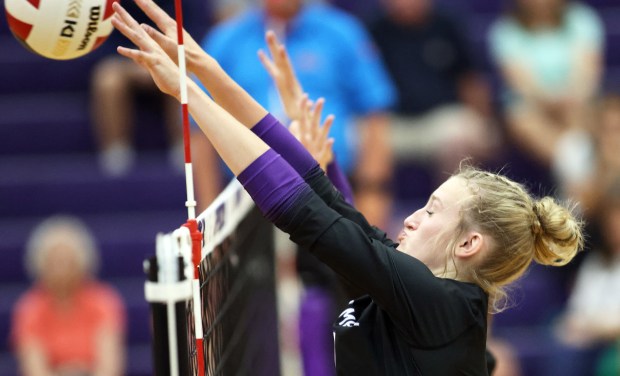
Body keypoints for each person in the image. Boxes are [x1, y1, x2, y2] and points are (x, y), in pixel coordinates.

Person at [111, 2, 584, 374]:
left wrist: (189, 94)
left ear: (468, 244)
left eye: (433, 211)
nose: (414, 216)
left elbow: (300, 210)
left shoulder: (438, 302)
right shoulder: (414, 283)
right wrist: (204, 68)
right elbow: (320, 193)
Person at [192, 0, 397, 229]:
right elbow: (199, 128)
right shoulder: (225, 39)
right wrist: (209, 218)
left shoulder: (341, 32)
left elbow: (375, 113)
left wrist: (373, 191)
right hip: (248, 191)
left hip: (330, 184)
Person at [368, 0, 498, 189]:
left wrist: (486, 122)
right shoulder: (371, 29)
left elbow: (469, 78)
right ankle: (367, 212)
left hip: (440, 119)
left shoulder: (448, 23)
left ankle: (454, 209)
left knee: (461, 133)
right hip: (390, 122)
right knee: (357, 139)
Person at [489, 0, 604, 168]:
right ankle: (577, 171)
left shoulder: (582, 19)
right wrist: (551, 100)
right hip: (530, 106)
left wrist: (571, 97)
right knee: (522, 118)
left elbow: (588, 73)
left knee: (581, 113)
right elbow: (520, 81)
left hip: (576, 101)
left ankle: (575, 174)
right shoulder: (505, 30)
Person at [10, 215, 126, 376]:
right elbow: (34, 370)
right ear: (41, 264)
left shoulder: (104, 300)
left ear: (81, 262)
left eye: (67, 261)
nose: (61, 269)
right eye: (54, 262)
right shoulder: (29, 307)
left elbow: (110, 367)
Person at [545, 177, 620, 376]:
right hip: (585, 341)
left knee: (571, 356)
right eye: (611, 217)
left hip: (609, 345)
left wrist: (592, 328)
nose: (615, 224)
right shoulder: (595, 263)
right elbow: (576, 310)